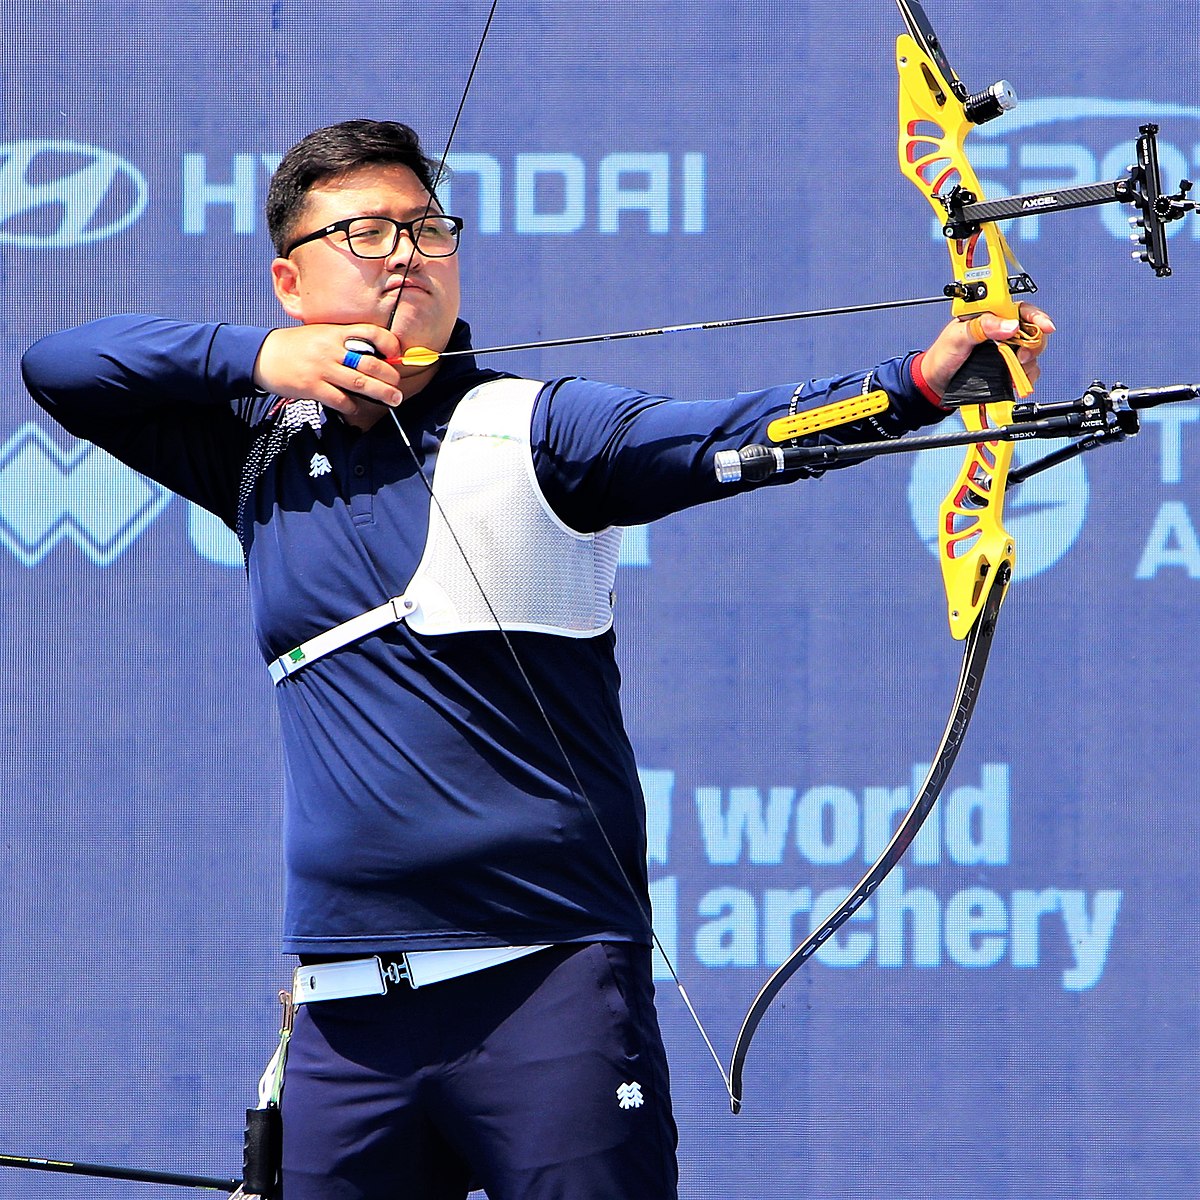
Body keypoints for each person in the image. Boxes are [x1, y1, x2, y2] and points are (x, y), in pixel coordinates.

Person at [21, 119, 1053, 1200]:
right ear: (292, 277)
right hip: (345, 1018)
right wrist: (263, 358)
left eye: (429, 229)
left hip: (546, 989)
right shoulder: (257, 451)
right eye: (368, 233)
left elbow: (738, 437)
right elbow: (62, 366)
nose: (409, 254)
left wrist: (921, 383)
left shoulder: (539, 430)